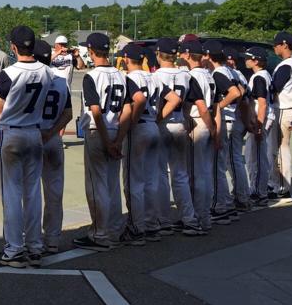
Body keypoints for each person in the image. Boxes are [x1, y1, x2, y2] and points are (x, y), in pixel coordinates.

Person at [0, 26, 59, 267]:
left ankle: (14, 249)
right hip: (34, 132)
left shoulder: (9, 73)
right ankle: (35, 245)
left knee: (12, 193)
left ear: (13, 47)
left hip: (12, 131)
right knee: (32, 193)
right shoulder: (47, 71)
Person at [74, 33, 126, 251]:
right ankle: (113, 230)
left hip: (98, 132)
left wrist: (107, 141)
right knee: (112, 185)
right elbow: (128, 108)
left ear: (91, 51)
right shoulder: (122, 75)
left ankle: (99, 234)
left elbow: (95, 111)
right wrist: (118, 139)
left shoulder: (92, 76)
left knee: (97, 186)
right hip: (116, 130)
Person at [152, 37, 203, 236]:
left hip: (163, 124)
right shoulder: (185, 75)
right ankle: (189, 219)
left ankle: (163, 220)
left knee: (161, 175)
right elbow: (190, 101)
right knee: (180, 175)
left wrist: (158, 118)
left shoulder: (156, 76)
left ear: (159, 54)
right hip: (180, 123)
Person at [119, 44, 162, 245]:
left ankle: (136, 227)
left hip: (139, 128)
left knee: (133, 181)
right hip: (153, 125)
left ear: (126, 59)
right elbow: (172, 99)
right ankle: (152, 224)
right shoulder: (153, 77)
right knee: (151, 180)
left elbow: (140, 100)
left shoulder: (128, 78)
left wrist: (132, 122)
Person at [34, 39, 72, 254]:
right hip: (53, 137)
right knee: (54, 191)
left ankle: (32, 238)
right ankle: (53, 238)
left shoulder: (29, 78)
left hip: (33, 136)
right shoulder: (60, 80)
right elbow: (68, 113)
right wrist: (52, 131)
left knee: (30, 191)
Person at [208, 41, 250, 221]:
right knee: (233, 161)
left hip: (226, 119)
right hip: (233, 117)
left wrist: (219, 106)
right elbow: (241, 92)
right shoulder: (232, 71)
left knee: (223, 164)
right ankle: (238, 198)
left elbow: (236, 93)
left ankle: (226, 202)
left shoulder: (219, 72)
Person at [181, 38, 220, 231]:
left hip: (198, 123)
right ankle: (205, 216)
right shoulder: (209, 75)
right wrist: (215, 130)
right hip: (208, 123)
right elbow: (217, 107)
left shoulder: (192, 76)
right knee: (204, 172)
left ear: (188, 54)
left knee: (195, 175)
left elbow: (202, 107)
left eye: (182, 52)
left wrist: (211, 128)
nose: (181, 55)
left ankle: (198, 217)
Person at [269, 31, 292, 202]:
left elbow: (274, 88)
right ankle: (278, 185)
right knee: (280, 147)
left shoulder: (287, 64)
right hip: (288, 107)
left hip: (284, 108)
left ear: (285, 45)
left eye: (276, 44)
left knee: (280, 148)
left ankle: (282, 188)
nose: (274, 47)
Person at [244, 47, 276, 206]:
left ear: (256, 60)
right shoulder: (265, 75)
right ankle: (259, 190)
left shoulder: (259, 77)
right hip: (265, 118)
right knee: (255, 156)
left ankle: (259, 192)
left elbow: (262, 103)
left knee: (255, 158)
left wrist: (258, 125)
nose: (245, 60)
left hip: (261, 119)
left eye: (248, 57)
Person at [50, 35, 85, 147]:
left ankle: (59, 139)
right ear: (56, 45)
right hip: (51, 90)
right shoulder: (51, 54)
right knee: (51, 115)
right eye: (60, 45)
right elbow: (44, 62)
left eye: (64, 45)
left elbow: (81, 66)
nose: (63, 47)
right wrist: (58, 53)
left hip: (66, 89)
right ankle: (50, 137)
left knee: (65, 115)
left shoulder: (71, 56)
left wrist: (77, 56)